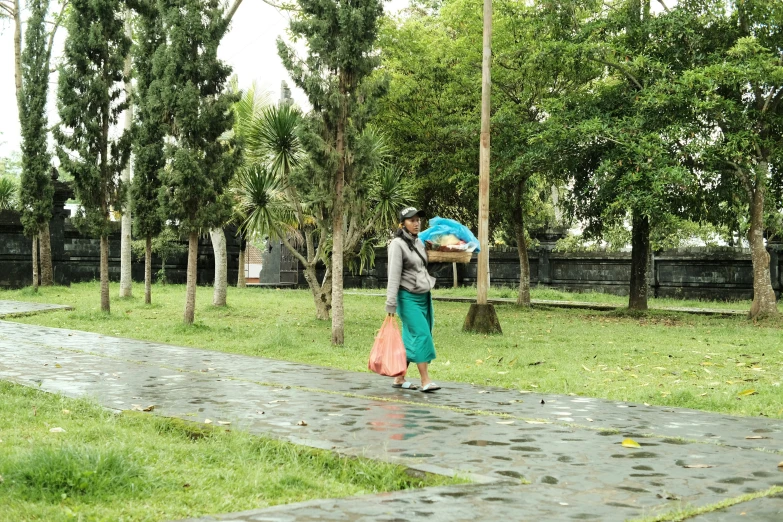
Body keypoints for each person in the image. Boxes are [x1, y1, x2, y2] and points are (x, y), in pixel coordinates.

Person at [385, 207, 441, 393]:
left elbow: (421, 268)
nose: (417, 223)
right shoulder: (397, 245)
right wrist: (390, 304)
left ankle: (399, 378)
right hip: (407, 297)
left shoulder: (419, 243)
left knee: (411, 337)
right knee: (421, 335)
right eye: (412, 220)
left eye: (418, 220)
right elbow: (393, 275)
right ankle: (426, 380)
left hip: (423, 296)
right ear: (402, 224)